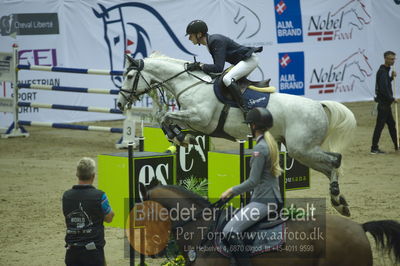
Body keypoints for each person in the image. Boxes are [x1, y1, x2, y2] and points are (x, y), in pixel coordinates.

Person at [220, 107, 282, 265]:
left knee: (229, 231)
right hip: (271, 198)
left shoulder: (260, 149)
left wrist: (231, 190)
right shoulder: (270, 143)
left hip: (263, 201)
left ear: (253, 126)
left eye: (250, 124)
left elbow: (253, 182)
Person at [185, 19, 263, 113]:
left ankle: (246, 110)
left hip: (249, 60)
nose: (189, 38)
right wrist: (201, 67)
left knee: (227, 79)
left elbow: (218, 68)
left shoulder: (215, 41)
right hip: (242, 61)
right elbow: (216, 70)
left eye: (191, 35)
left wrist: (200, 66)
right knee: (222, 79)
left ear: (199, 34)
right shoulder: (209, 43)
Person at [62, 157, 114, 266]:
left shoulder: (66, 196)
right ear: (93, 175)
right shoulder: (100, 196)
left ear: (77, 174)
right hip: (93, 252)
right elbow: (109, 218)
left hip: (72, 251)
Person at [371, 51, 398, 154]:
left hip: (385, 104)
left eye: (394, 59)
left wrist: (391, 78)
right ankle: (374, 148)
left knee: (391, 125)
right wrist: (392, 99)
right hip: (383, 105)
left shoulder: (385, 71)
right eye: (391, 59)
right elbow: (383, 89)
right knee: (380, 126)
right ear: (385, 59)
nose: (393, 61)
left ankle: (397, 145)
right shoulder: (382, 71)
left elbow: (385, 85)